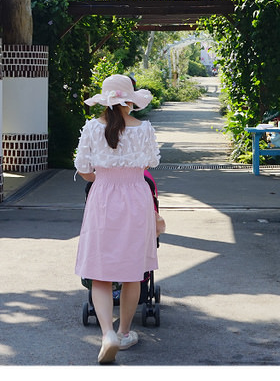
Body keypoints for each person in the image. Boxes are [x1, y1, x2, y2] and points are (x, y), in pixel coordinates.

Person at [74, 74, 160, 364]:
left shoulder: (91, 128)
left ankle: (107, 333)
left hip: (102, 198)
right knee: (132, 271)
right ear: (128, 101)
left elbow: (84, 169)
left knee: (101, 271)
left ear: (105, 100)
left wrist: (104, 177)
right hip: (136, 197)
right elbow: (149, 164)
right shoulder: (144, 128)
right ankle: (124, 332)